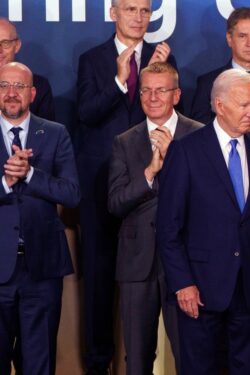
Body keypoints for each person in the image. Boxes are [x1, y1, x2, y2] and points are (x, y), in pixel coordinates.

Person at [156, 68, 250, 374]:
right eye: (244, 105)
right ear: (219, 105)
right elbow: (168, 227)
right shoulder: (186, 151)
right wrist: (183, 284)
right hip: (200, 293)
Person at [76, 0, 176, 372]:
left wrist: (153, 74)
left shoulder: (162, 58)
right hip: (104, 188)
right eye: (131, 9)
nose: (139, 17)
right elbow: (87, 114)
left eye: (145, 11)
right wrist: (121, 81)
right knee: (100, 283)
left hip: (150, 191)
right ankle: (99, 365)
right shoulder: (93, 59)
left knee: (152, 283)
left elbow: (166, 116)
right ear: (113, 13)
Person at [107, 62, 202, 375]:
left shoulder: (199, 135)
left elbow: (209, 199)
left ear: (176, 95)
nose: (152, 97)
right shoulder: (125, 141)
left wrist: (173, 159)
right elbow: (116, 203)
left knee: (191, 353)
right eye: (145, 90)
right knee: (136, 358)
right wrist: (149, 172)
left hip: (188, 263)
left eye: (160, 90)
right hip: (137, 262)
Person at [0, 62, 79, 375]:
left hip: (42, 268)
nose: (11, 94)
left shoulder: (56, 134)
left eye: (19, 87)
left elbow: (72, 193)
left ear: (32, 93)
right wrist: (7, 182)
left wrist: (30, 174)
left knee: (39, 362)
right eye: (4, 86)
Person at [0, 18, 55, 121]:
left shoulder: (39, 86)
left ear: (17, 46)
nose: (0, 50)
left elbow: (47, 133)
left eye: (5, 43)